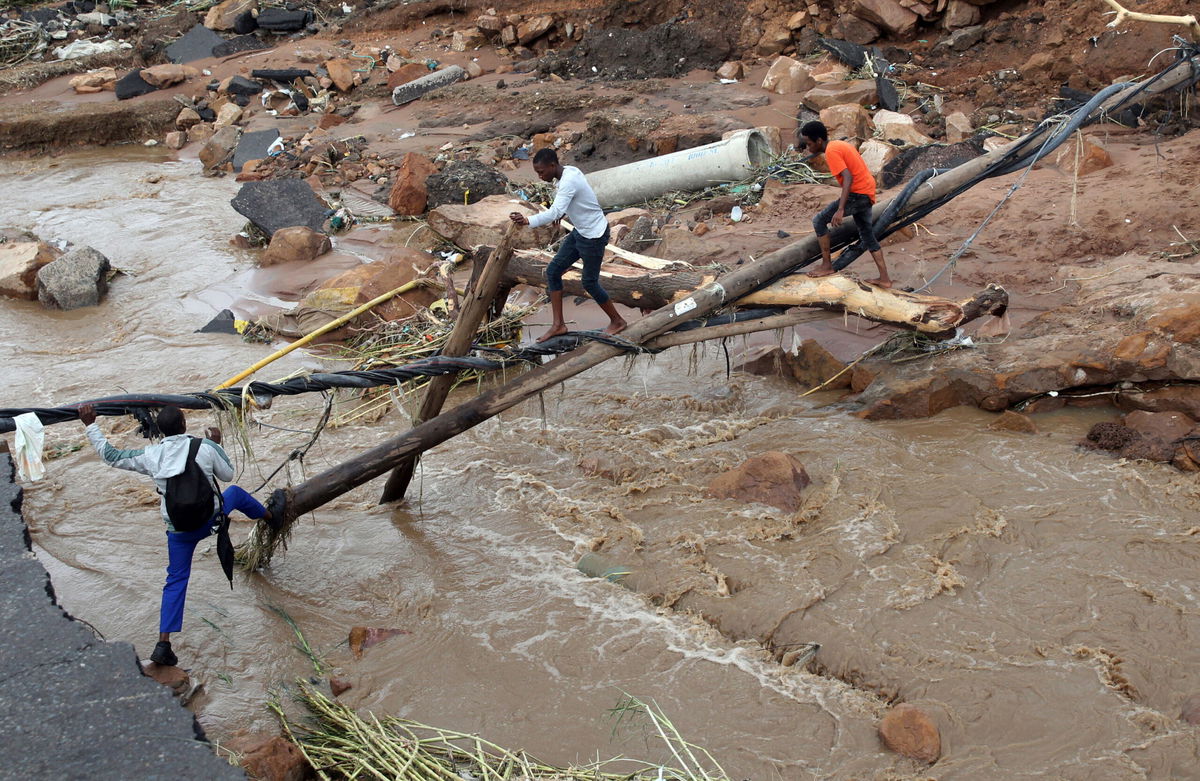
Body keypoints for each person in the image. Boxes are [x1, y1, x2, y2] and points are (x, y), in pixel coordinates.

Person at [78, 403, 269, 667]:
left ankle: (163, 643)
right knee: (235, 493)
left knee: (176, 580)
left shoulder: (152, 455)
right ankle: (271, 517)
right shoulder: (205, 446)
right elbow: (227, 474)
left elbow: (111, 455)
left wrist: (90, 424)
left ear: (160, 430)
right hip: (209, 519)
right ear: (184, 425)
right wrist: (217, 443)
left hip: (179, 530)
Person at [508, 148, 627, 341]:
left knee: (589, 282)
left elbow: (554, 211)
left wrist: (528, 220)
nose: (540, 176)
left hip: (593, 236)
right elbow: (576, 200)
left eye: (541, 172)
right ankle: (558, 325)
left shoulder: (568, 181)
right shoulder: (569, 172)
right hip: (581, 232)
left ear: (553, 166)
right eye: (537, 172)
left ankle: (618, 321)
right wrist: (564, 212)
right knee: (553, 271)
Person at [797, 120, 893, 288]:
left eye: (809, 144)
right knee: (867, 234)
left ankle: (827, 265)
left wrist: (841, 209)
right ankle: (884, 279)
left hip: (858, 193)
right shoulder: (838, 144)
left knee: (819, 221)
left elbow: (847, 177)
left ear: (819, 141)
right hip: (867, 190)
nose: (808, 148)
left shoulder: (832, 151)